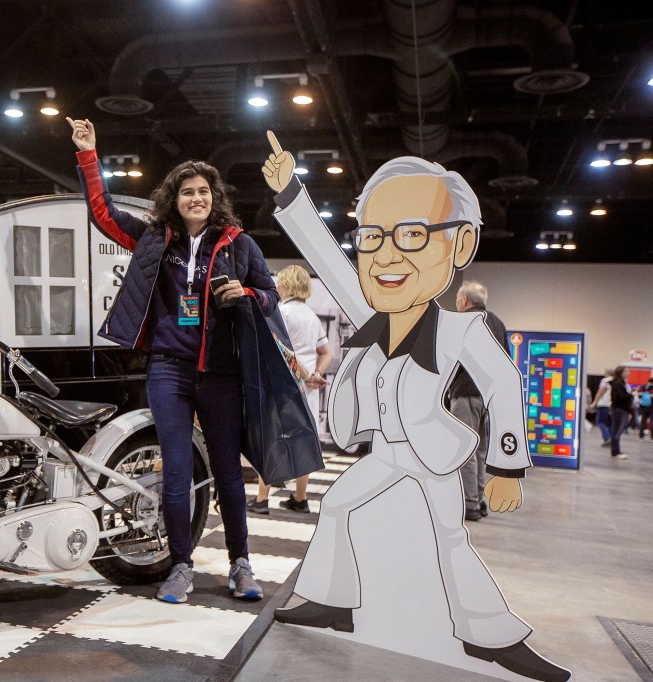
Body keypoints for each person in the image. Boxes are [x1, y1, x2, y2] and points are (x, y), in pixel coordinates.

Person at [263, 133, 569, 682]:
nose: (386, 253)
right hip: (385, 452)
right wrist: (290, 191)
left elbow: (503, 383)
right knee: (336, 508)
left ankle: (493, 636)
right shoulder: (370, 310)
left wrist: (506, 468)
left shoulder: (461, 327)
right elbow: (325, 256)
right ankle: (333, 601)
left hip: (431, 456)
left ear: (461, 245)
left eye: (412, 235)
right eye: (374, 236)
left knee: (451, 541)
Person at [67, 116, 280, 604]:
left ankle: (240, 564)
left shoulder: (239, 244)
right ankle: (180, 565)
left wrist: (244, 292)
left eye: (203, 191)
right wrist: (88, 155)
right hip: (169, 369)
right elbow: (102, 212)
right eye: (187, 192)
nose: (196, 199)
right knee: (177, 470)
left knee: (228, 470)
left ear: (214, 197)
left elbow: (270, 297)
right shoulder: (155, 240)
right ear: (174, 198)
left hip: (222, 373)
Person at [248, 265, 332, 515]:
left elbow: (284, 352)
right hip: (308, 389)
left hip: (284, 385)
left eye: (280, 282)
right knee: (303, 441)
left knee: (272, 439)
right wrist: (316, 374)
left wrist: (305, 374)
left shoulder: (281, 312)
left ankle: (262, 499)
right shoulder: (311, 316)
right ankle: (300, 497)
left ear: (286, 285)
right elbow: (326, 353)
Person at [448, 281, 508, 521]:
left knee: (465, 450)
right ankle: (479, 499)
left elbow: (451, 361)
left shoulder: (462, 322)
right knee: (481, 450)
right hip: (489, 396)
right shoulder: (498, 323)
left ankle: (469, 504)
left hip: (466, 392)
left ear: (464, 301)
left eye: (457, 300)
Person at [608, 365, 631, 459]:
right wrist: (630, 395)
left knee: (618, 430)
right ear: (620, 372)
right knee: (617, 430)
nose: (628, 373)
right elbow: (618, 397)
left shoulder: (621, 383)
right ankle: (615, 451)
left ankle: (616, 450)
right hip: (619, 409)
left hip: (621, 409)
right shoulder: (617, 383)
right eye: (626, 371)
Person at [590, 369, 614, 446]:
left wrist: (594, 403)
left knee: (600, 422)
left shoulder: (605, 381)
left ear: (607, 373)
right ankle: (611, 439)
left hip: (603, 404)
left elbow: (600, 392)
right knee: (610, 423)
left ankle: (607, 438)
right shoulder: (616, 381)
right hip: (612, 405)